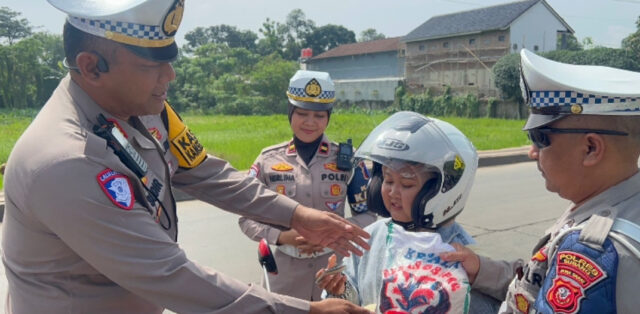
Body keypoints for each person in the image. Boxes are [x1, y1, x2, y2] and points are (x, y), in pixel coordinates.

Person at [1, 1, 372, 313]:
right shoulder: (68, 162)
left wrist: (296, 215)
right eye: (151, 66)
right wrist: (305, 311)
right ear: (91, 66)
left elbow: (205, 172)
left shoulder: (145, 108)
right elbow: (170, 276)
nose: (171, 75)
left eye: (169, 59)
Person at [441, 49, 640, 313]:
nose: (531, 152)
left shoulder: (594, 250)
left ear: (591, 148)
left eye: (540, 137)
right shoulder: (613, 203)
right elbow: (538, 287)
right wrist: (481, 268)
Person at [315, 111, 479, 313]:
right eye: (388, 180)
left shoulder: (456, 251)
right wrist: (341, 289)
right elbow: (354, 293)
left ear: (440, 191)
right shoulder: (371, 237)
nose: (392, 192)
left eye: (407, 184)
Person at [238, 70, 377, 301]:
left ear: (328, 117)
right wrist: (284, 237)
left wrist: (331, 232)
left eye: (319, 116)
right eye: (302, 113)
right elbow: (245, 216)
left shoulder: (349, 160)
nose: (310, 123)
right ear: (290, 113)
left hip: (336, 270)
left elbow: (369, 215)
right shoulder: (268, 160)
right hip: (284, 272)